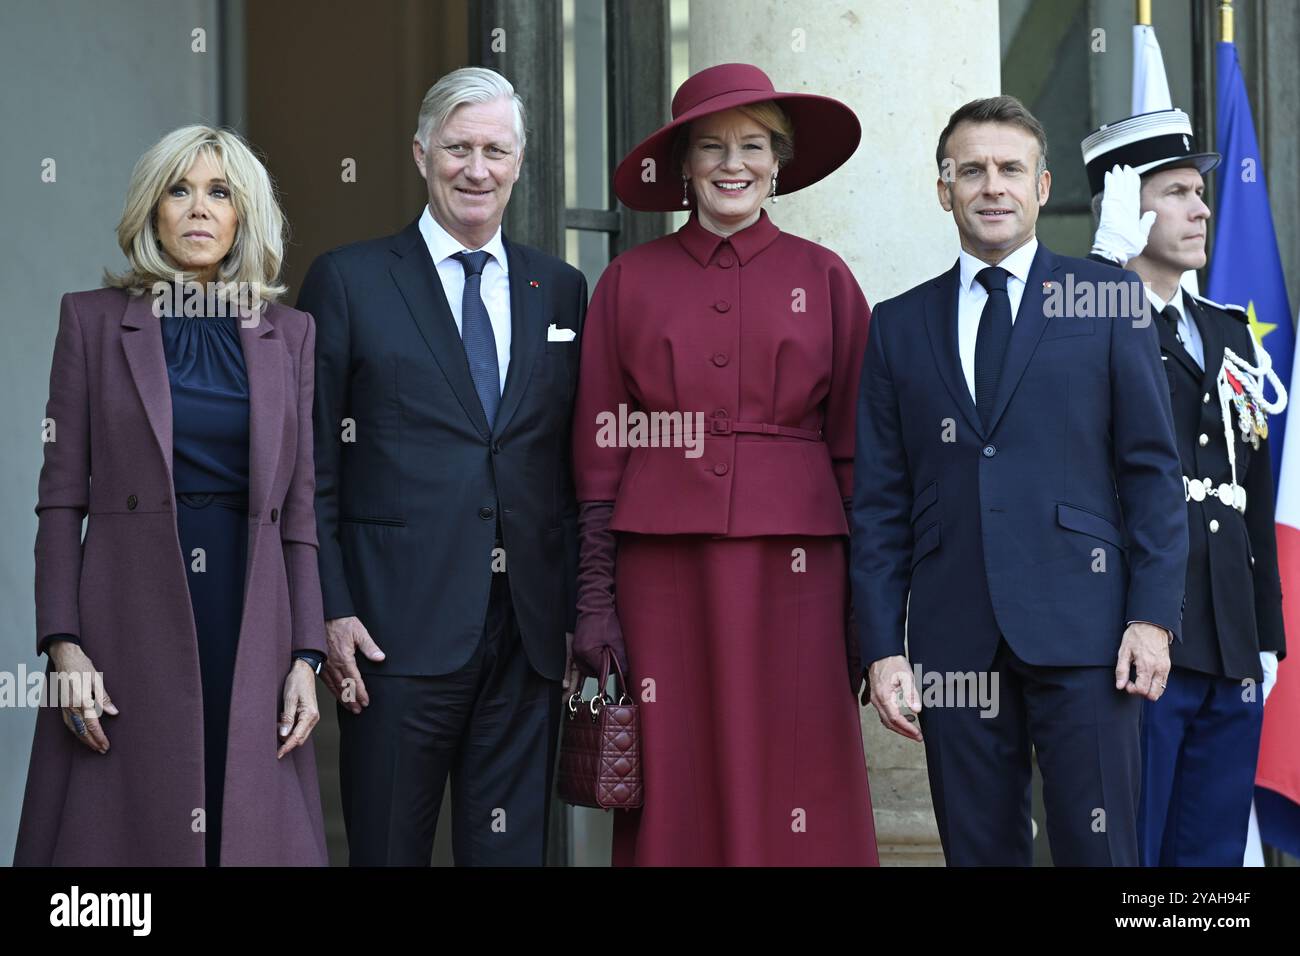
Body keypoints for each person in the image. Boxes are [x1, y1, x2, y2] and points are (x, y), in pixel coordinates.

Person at [852, 95, 1189, 866]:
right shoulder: (898, 325)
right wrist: (881, 647)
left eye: (1010, 169)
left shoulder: (1108, 301)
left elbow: (1151, 474)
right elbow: (879, 502)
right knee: (978, 853)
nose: (991, 186)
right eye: (971, 171)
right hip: (954, 636)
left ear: (1042, 187)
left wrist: (1151, 617)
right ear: (945, 189)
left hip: (1090, 631)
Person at [572, 62, 878, 866]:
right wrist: (595, 604)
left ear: (779, 161)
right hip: (659, 573)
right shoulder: (626, 281)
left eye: (752, 145)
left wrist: (867, 611)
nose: (732, 164)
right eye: (711, 147)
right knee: (679, 773)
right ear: (683, 168)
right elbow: (600, 457)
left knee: (798, 772)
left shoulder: (828, 279)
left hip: (802, 572)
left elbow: (857, 456)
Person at [15, 126, 328, 866]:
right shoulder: (90, 321)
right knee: (127, 833)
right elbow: (60, 500)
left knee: (245, 823)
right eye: (178, 191)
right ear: (151, 212)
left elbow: (302, 510)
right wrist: (63, 645)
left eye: (219, 192)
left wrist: (306, 656)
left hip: (253, 608)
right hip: (126, 615)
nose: (198, 208)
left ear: (243, 214)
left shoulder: (292, 334)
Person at [298, 67, 586, 866]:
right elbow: (310, 462)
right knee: (388, 849)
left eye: (495, 149)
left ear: (520, 163)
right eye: (458, 147)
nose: (476, 168)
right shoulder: (348, 280)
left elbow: (568, 469)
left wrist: (571, 616)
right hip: (393, 628)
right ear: (422, 153)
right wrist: (331, 604)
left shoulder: (559, 289)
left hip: (525, 636)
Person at [1083, 109, 1287, 865]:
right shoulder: (1086, 313)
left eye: (1199, 191)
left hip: (1228, 632)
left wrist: (1266, 632)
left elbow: (1251, 489)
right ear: (1121, 204)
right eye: (1175, 192)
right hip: (1137, 631)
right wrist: (1106, 267)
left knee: (1208, 853)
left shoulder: (1228, 329)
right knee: (1131, 847)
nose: (1202, 208)